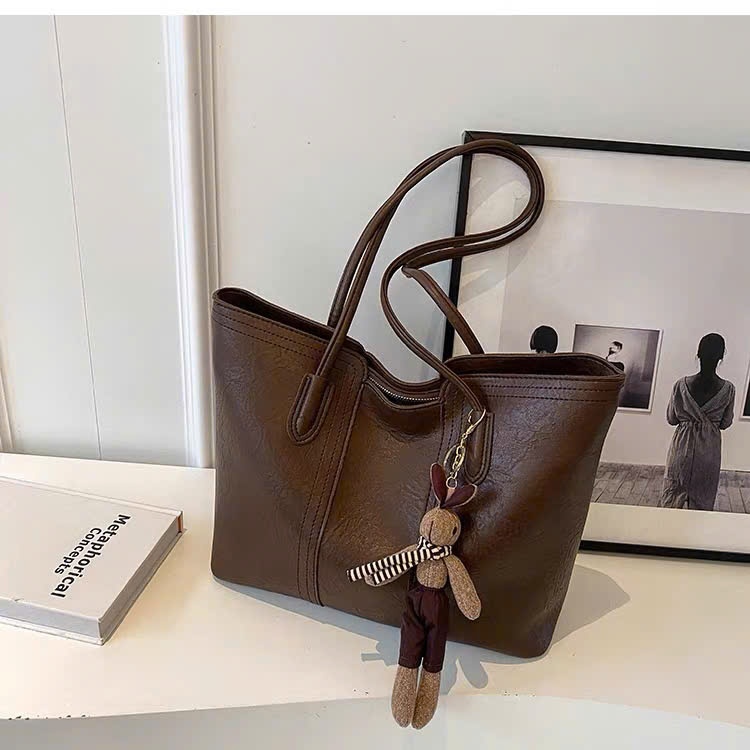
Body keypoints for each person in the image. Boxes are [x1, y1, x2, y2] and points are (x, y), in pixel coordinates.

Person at [661, 333, 735, 511]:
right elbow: (725, 423)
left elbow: (671, 419)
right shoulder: (728, 389)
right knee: (703, 500)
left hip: (682, 448)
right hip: (709, 451)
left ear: (698, 354)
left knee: (672, 498)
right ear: (721, 356)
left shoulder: (681, 385)